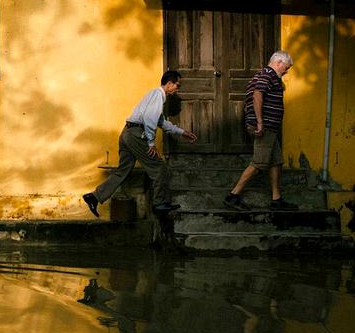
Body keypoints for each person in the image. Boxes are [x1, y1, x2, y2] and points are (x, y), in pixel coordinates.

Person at [83, 70, 197, 217]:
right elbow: (150, 119)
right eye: (177, 85)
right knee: (159, 167)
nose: (177, 88)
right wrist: (150, 142)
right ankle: (160, 203)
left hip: (127, 133)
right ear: (169, 84)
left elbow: (160, 121)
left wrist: (181, 132)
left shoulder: (154, 95)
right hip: (136, 134)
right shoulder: (158, 95)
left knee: (123, 170)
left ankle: (94, 197)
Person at [223, 51, 297, 211]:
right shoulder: (267, 75)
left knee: (276, 161)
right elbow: (257, 96)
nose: (287, 71)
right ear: (278, 62)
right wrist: (260, 121)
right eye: (286, 67)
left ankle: (276, 199)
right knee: (259, 162)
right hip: (265, 127)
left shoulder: (264, 76)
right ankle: (233, 196)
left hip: (270, 128)